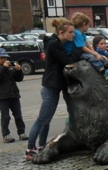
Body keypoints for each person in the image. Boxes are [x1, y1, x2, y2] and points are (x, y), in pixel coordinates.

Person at [26, 19, 78, 160]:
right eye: (71, 32)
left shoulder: (56, 43)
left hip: (53, 85)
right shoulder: (54, 44)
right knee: (43, 119)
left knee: (46, 119)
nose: (73, 35)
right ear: (61, 32)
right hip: (50, 86)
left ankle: (42, 145)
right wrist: (78, 49)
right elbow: (67, 61)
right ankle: (30, 149)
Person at [0, 48, 26, 143]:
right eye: (2, 58)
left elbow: (19, 78)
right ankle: (6, 135)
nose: (4, 60)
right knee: (5, 117)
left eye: (5, 58)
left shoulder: (9, 68)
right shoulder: (3, 68)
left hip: (14, 95)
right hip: (2, 97)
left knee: (18, 116)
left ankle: (21, 133)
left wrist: (18, 71)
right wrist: (4, 67)